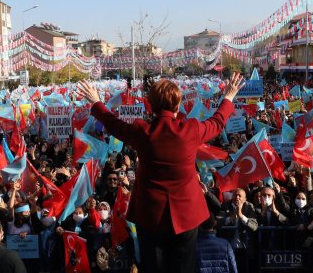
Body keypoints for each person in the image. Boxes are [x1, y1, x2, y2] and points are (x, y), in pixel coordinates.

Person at [76, 73, 245, 273]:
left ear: (151, 105)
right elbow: (217, 122)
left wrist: (96, 102)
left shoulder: (142, 132)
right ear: (177, 105)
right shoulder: (190, 130)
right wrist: (229, 96)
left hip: (150, 216)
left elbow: (113, 124)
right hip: (187, 216)